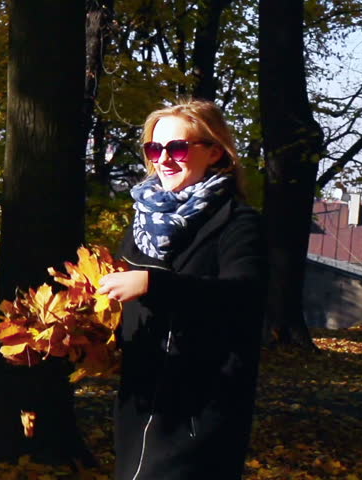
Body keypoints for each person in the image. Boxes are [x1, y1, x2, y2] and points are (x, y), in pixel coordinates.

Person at [97, 99, 267, 479]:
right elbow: (126, 306)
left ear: (215, 153)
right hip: (140, 402)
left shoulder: (238, 223)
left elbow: (244, 296)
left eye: (177, 148)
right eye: (154, 149)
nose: (164, 159)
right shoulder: (144, 221)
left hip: (200, 405)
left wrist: (153, 283)